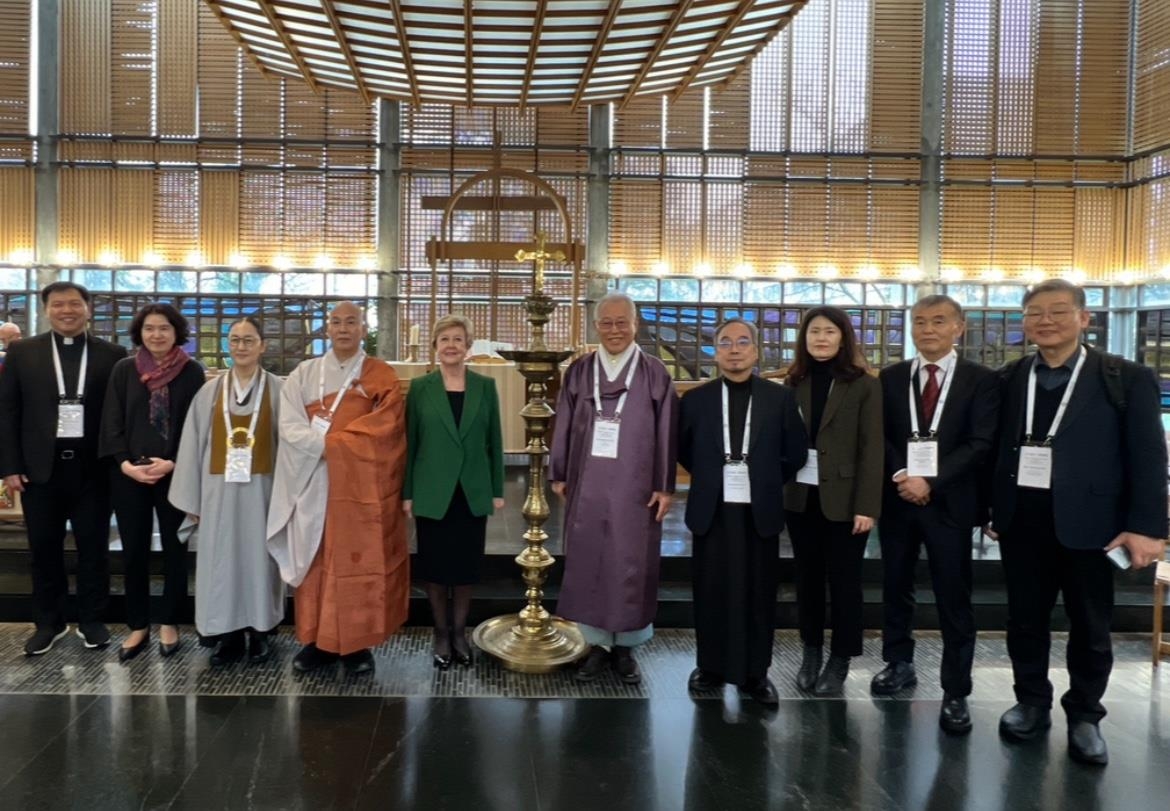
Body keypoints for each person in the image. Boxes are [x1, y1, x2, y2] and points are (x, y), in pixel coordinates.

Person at [989, 279, 1168, 766]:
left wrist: (1148, 527)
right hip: (1022, 521)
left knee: (1091, 623)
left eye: (1058, 311)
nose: (1045, 321)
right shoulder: (1009, 378)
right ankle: (1031, 702)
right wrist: (993, 509)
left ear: (1085, 318)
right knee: (1024, 619)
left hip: (1093, 523)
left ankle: (1085, 715)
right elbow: (995, 450)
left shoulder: (1122, 377)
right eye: (1034, 313)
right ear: (1023, 322)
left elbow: (1149, 457)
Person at [874, 295, 1000, 734]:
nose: (927, 329)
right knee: (895, 585)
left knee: (953, 596)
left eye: (938, 321)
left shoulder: (981, 381)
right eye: (920, 322)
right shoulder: (889, 378)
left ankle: (955, 690)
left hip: (949, 504)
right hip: (898, 499)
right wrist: (904, 474)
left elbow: (981, 443)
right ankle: (898, 662)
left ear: (959, 328)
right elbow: (881, 436)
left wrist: (932, 481)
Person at [266, 301, 409, 676]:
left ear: (364, 329)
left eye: (351, 322)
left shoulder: (380, 375)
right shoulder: (305, 373)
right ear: (327, 329)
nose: (343, 328)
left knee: (358, 560)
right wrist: (325, 448)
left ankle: (357, 645)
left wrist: (336, 446)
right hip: (313, 478)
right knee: (316, 556)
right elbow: (290, 424)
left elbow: (387, 428)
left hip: (361, 485)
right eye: (336, 322)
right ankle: (316, 641)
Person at [678, 318, 808, 707]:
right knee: (711, 590)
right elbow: (683, 450)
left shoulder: (779, 399)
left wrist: (765, 479)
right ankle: (710, 666)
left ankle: (757, 673)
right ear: (715, 352)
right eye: (725, 343)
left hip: (759, 510)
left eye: (742, 342)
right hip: (712, 510)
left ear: (756, 351)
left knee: (758, 592)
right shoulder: (696, 400)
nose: (734, 349)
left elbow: (795, 452)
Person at [549, 292, 678, 684]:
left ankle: (626, 648)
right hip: (587, 482)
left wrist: (665, 485)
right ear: (596, 326)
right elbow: (564, 422)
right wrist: (558, 472)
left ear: (636, 324)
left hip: (635, 487)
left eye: (622, 322)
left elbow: (667, 430)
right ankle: (595, 646)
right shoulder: (580, 370)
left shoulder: (654, 372)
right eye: (606, 322)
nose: (615, 330)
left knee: (629, 563)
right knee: (590, 561)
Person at [0, 283, 126, 655]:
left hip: (93, 471)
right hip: (40, 470)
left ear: (88, 309)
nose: (66, 310)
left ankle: (91, 620)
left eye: (74, 304)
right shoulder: (22, 352)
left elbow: (116, 415)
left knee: (93, 550)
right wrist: (9, 466)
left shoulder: (112, 354)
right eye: (58, 305)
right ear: (46, 310)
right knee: (43, 549)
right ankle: (48, 622)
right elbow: (7, 412)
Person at [169, 316, 285, 666]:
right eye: (234, 340)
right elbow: (192, 444)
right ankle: (226, 635)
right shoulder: (209, 392)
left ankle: (261, 631)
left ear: (263, 345)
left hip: (263, 493)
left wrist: (290, 496)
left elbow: (291, 446)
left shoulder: (280, 390)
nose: (241, 347)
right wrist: (193, 496)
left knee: (259, 561)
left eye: (249, 340)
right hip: (218, 493)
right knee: (221, 562)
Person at [783, 305, 883, 696]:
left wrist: (868, 506)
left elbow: (871, 448)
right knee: (806, 580)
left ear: (843, 337)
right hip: (800, 496)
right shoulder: (793, 382)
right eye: (813, 332)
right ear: (803, 339)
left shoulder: (863, 384)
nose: (821, 338)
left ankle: (840, 658)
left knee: (844, 582)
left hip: (845, 500)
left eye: (829, 331)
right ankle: (810, 651)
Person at [100, 302, 204, 661]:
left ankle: (170, 621)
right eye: (149, 328)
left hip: (174, 472)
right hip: (129, 474)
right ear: (139, 333)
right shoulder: (124, 370)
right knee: (133, 551)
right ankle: (138, 624)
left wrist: (173, 462)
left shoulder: (191, 372)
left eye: (164, 328)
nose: (156, 334)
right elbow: (111, 420)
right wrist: (125, 464)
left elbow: (196, 426)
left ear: (177, 332)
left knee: (175, 551)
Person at [403, 314, 505, 669]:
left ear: (468, 347)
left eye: (457, 339)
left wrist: (496, 488)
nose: (451, 345)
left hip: (472, 490)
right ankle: (440, 633)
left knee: (465, 568)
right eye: (444, 339)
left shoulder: (485, 386)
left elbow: (495, 440)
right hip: (432, 490)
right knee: (435, 568)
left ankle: (460, 632)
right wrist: (407, 492)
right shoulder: (420, 389)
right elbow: (410, 442)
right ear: (435, 346)